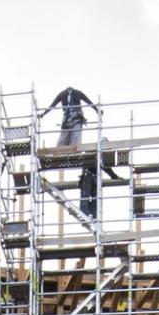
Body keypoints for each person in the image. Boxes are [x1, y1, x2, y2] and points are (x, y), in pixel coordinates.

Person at [39, 86, 116, 219]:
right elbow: (54, 105)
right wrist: (97, 110)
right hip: (70, 122)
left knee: (74, 145)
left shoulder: (71, 93)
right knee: (64, 147)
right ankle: (86, 214)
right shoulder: (68, 94)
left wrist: (97, 109)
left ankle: (89, 215)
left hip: (75, 120)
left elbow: (107, 169)